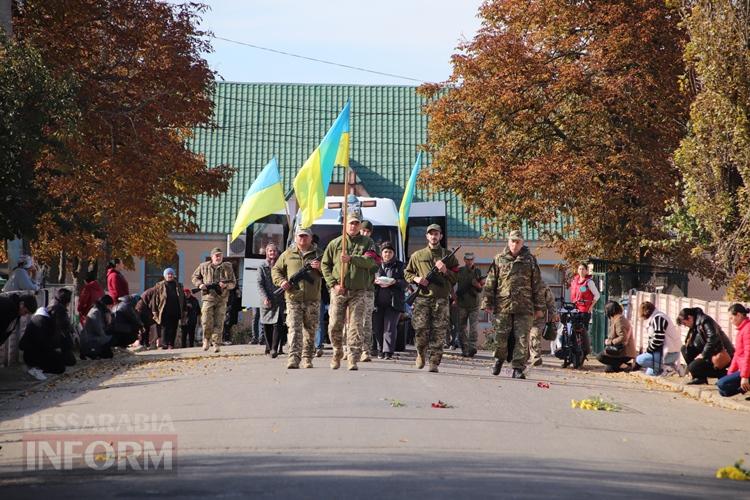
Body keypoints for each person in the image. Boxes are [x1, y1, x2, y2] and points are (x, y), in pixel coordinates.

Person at [482, 230, 545, 379]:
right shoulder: (499, 259)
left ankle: (518, 368)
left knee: (522, 339)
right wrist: (487, 302)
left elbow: (537, 284)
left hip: (524, 306)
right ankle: (499, 359)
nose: (515, 244)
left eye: (518, 242)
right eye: (512, 241)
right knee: (500, 337)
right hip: (503, 305)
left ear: (522, 243)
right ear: (508, 241)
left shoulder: (530, 260)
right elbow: (491, 282)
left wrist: (539, 307)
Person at [321, 212, 379, 371]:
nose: (353, 226)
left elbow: (372, 263)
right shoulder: (336, 244)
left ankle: (353, 358)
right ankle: (337, 351)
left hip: (359, 291)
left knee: (356, 325)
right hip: (339, 290)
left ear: (360, 225)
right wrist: (333, 284)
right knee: (334, 324)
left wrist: (352, 259)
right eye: (350, 223)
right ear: (345, 225)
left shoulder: (368, 243)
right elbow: (325, 265)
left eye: (356, 223)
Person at [405, 224, 459, 373]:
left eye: (436, 234)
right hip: (422, 298)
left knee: (439, 331)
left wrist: (445, 270)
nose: (434, 236)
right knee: (420, 330)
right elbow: (407, 273)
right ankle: (421, 353)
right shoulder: (418, 255)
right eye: (431, 234)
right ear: (427, 236)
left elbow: (456, 277)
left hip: (441, 299)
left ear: (441, 236)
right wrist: (416, 279)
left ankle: (434, 362)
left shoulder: (449, 256)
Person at [272, 228, 323, 369]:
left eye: (305, 236)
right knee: (294, 329)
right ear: (295, 238)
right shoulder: (287, 254)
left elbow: (332, 272)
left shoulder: (319, 254)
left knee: (310, 329)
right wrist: (282, 281)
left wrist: (320, 268)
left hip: (312, 299)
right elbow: (276, 270)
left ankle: (307, 357)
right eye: (300, 236)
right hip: (293, 298)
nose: (302, 239)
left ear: (311, 238)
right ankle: (293, 358)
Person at [191, 247, 236, 353]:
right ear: (212, 257)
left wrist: (225, 285)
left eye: (220, 255)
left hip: (222, 299)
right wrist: (200, 284)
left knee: (219, 322)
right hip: (208, 298)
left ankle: (216, 343)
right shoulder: (203, 266)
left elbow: (233, 283)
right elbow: (194, 277)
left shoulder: (227, 267)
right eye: (216, 255)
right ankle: (206, 339)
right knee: (206, 320)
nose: (218, 257)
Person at [678, 307, 735, 385]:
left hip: (721, 353)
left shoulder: (705, 321)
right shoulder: (695, 324)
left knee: (693, 367)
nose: (685, 326)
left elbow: (713, 338)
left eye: (685, 323)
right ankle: (699, 377)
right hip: (709, 352)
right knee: (685, 349)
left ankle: (723, 374)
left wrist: (703, 354)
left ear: (690, 318)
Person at [373, 241, 407, 359]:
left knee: (389, 327)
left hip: (394, 302)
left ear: (394, 253)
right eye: (385, 252)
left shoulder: (401, 266)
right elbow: (368, 279)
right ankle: (379, 350)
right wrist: (374, 281)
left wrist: (394, 282)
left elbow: (406, 282)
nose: (387, 254)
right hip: (377, 302)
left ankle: (388, 352)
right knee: (377, 327)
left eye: (390, 252)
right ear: (381, 253)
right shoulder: (375, 265)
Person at [634, 301, 681, 375]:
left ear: (646, 312)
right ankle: (664, 369)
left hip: (668, 353)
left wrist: (648, 350)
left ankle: (667, 368)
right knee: (650, 374)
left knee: (640, 359)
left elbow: (658, 339)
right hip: (666, 352)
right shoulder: (657, 317)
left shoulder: (658, 318)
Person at [19, 306, 66, 380]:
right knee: (60, 366)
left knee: (60, 362)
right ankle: (35, 369)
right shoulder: (43, 321)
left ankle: (37, 368)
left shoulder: (40, 318)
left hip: (32, 353)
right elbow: (44, 343)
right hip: (34, 354)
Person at [258, 243, 287, 358]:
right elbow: (260, 283)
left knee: (278, 323)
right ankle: (269, 347)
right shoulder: (262, 266)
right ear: (266, 252)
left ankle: (274, 348)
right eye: (270, 251)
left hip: (279, 299)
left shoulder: (281, 266)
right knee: (267, 324)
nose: (272, 253)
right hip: (266, 299)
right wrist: (265, 297)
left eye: (274, 251)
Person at [716, 304, 750, 397]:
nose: (730, 321)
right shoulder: (742, 330)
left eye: (731, 318)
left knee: (721, 384)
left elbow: (748, 355)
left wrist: (745, 376)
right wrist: (730, 373)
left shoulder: (748, 329)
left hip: (747, 370)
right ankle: (745, 387)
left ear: (738, 315)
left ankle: (747, 384)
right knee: (723, 391)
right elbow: (737, 355)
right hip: (743, 369)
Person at [455, 252, 484, 358]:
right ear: (464, 260)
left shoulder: (477, 272)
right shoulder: (460, 271)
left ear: (474, 260)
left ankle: (472, 348)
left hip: (474, 305)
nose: (469, 261)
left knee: (473, 327)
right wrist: (454, 298)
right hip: (462, 303)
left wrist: (477, 285)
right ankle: (464, 349)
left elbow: (480, 288)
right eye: (467, 259)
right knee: (461, 328)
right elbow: (454, 284)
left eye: (471, 259)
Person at [596, 300, 637, 372]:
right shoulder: (618, 318)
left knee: (600, 356)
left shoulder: (619, 320)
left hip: (624, 352)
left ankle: (626, 366)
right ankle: (628, 366)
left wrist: (610, 342)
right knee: (608, 369)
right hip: (622, 351)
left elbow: (623, 337)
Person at [569, 263, 599, 355]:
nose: (581, 271)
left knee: (582, 332)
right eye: (579, 269)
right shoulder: (574, 281)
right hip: (575, 309)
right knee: (572, 331)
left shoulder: (589, 282)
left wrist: (591, 306)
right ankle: (572, 353)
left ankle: (583, 351)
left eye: (583, 269)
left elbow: (597, 295)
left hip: (584, 310)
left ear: (586, 271)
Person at [151, 268, 185, 350]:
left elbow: (183, 299)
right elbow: (154, 299)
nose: (170, 275)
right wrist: (154, 310)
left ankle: (171, 344)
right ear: (164, 276)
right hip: (164, 310)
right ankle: (165, 344)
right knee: (165, 328)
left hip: (176, 310)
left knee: (174, 328)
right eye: (168, 274)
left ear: (174, 275)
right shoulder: (159, 285)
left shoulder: (179, 285)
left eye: (171, 274)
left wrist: (185, 309)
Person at [528, 285, 558, 367]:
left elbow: (550, 301)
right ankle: (522, 356)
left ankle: (535, 356)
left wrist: (554, 313)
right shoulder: (519, 283)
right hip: (522, 316)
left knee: (535, 334)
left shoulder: (542, 285)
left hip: (538, 316)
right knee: (521, 336)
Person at [46, 288, 77, 367]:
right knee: (70, 362)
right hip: (58, 343)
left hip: (58, 341)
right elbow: (57, 329)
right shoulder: (59, 310)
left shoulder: (55, 305)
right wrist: (57, 346)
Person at [80, 295, 114, 360]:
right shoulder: (96, 312)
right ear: (106, 305)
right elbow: (99, 330)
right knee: (113, 338)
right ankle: (91, 353)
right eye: (110, 306)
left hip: (94, 337)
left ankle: (96, 352)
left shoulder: (99, 310)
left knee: (109, 354)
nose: (110, 308)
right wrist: (108, 338)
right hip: (91, 339)